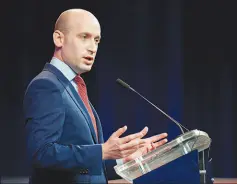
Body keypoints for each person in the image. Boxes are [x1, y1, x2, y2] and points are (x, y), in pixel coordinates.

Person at [23, 8, 168, 184]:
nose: (92, 48)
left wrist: (122, 158)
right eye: (84, 37)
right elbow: (42, 153)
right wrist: (103, 151)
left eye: (97, 40)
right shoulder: (47, 85)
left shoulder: (74, 86)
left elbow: (81, 169)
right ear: (59, 39)